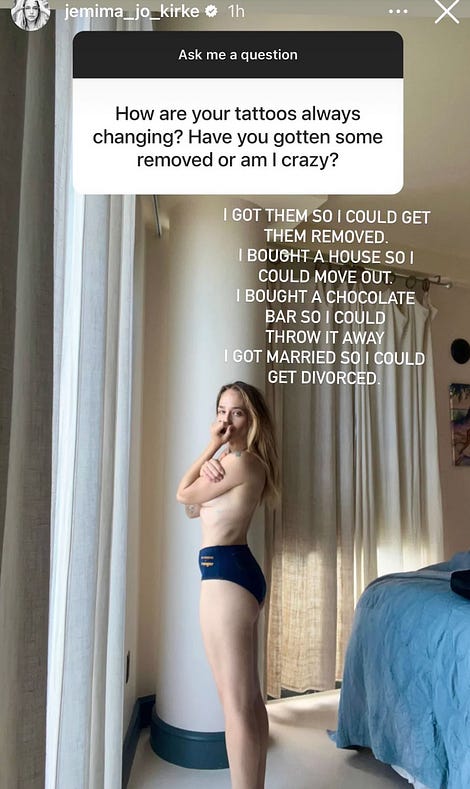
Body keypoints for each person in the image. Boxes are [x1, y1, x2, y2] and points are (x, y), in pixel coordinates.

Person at [176, 381, 279, 789]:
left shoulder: (242, 462)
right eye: (221, 411)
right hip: (236, 574)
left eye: (236, 412)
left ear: (252, 419)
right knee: (249, 700)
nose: (226, 421)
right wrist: (211, 462)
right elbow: (193, 509)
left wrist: (209, 448)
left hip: (225, 577)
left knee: (235, 708)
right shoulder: (235, 463)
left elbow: (182, 494)